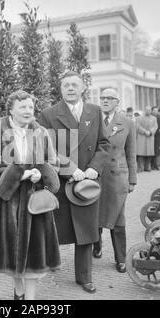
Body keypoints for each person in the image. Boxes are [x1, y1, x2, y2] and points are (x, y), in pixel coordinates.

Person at [0, 90, 61, 300]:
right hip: (6, 202)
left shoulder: (41, 132)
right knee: (10, 254)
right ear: (11, 109)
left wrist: (41, 173)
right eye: (23, 107)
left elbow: (52, 162)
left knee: (35, 255)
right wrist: (20, 173)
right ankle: (18, 290)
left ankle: (30, 299)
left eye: (31, 107)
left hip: (34, 202)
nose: (28, 111)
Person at [38, 71, 110, 294]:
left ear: (82, 88)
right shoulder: (48, 114)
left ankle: (84, 277)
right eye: (66, 85)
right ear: (61, 89)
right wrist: (71, 169)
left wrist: (92, 169)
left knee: (86, 232)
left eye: (74, 85)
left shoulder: (95, 112)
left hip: (87, 183)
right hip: (61, 183)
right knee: (56, 230)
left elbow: (104, 145)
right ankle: (50, 261)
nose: (70, 88)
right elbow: (45, 149)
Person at [92, 88, 137, 273]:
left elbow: (131, 152)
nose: (105, 101)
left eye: (110, 98)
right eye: (103, 97)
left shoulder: (127, 122)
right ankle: (97, 246)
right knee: (94, 214)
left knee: (118, 218)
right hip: (96, 175)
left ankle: (120, 258)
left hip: (117, 177)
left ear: (117, 102)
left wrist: (132, 179)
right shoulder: (93, 120)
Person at [136, 106, 158, 172]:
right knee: (140, 154)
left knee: (149, 154)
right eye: (146, 110)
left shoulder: (154, 118)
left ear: (150, 111)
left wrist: (150, 131)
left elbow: (155, 126)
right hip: (142, 137)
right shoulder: (139, 118)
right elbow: (137, 126)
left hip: (150, 137)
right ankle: (140, 167)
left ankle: (147, 167)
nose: (147, 111)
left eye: (149, 110)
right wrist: (145, 131)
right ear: (144, 110)